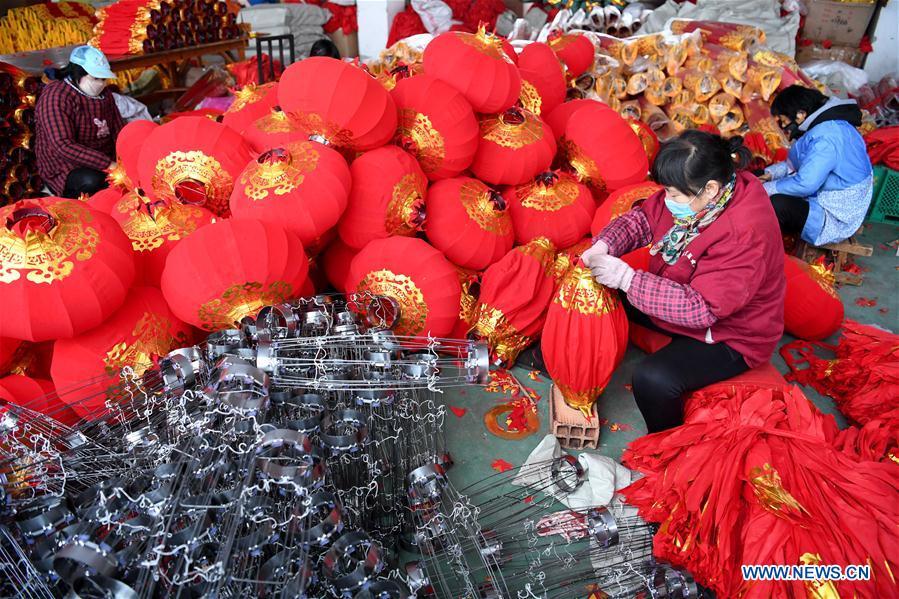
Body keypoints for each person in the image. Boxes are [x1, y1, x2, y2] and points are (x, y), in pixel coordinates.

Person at [581, 131, 785, 433]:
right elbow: (644, 219)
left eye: (674, 195)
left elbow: (702, 309)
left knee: (654, 379)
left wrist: (628, 280)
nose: (667, 201)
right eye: (665, 192)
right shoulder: (696, 191)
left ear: (711, 189)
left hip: (730, 333)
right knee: (598, 293)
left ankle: (666, 441)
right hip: (680, 292)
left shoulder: (745, 232)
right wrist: (605, 244)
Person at [761, 85, 873, 246]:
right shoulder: (820, 126)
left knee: (777, 204)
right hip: (823, 195)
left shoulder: (827, 137)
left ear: (800, 114)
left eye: (785, 121)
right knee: (764, 182)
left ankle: (764, 250)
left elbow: (805, 184)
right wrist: (770, 174)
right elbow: (796, 165)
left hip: (836, 215)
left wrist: (765, 189)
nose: (784, 127)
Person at [35, 45, 124, 198]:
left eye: (104, 79)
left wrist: (124, 156)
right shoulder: (56, 96)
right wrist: (108, 165)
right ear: (78, 74)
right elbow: (62, 145)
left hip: (102, 159)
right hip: (65, 166)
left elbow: (118, 129)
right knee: (92, 182)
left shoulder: (105, 95)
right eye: (95, 78)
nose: (101, 84)